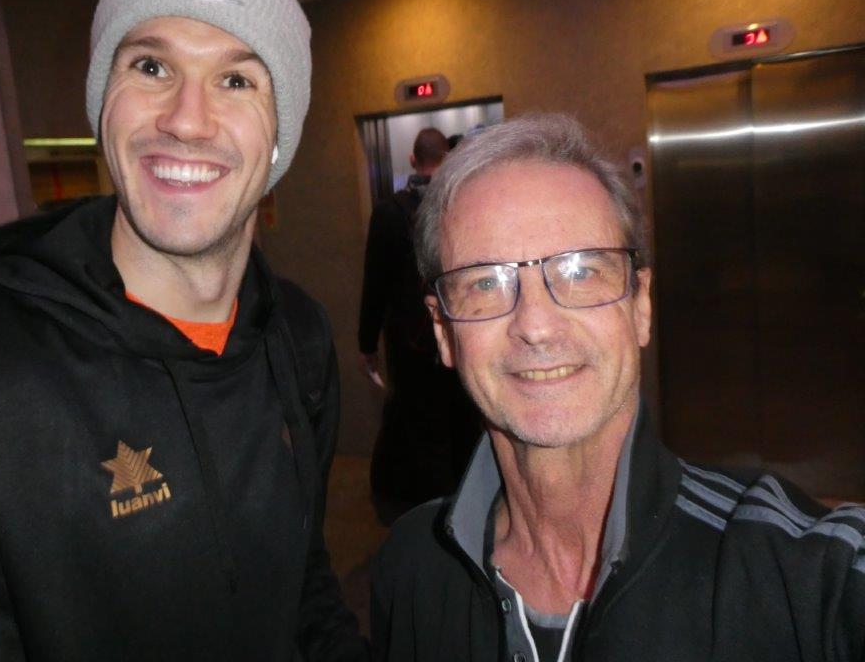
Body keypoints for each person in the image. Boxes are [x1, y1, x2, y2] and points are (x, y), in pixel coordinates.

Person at [0, 0, 367, 661]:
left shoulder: (297, 334)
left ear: (281, 137)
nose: (187, 119)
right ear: (102, 105)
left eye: (237, 80)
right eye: (151, 67)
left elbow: (305, 587)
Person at [371, 113, 865, 661]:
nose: (536, 325)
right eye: (485, 282)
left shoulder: (796, 577)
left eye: (582, 271)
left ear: (641, 306)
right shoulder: (410, 570)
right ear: (444, 332)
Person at [358, 128, 475, 520]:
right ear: (447, 158)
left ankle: (423, 513)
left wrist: (366, 343)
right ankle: (465, 507)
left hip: (409, 343)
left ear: (412, 160)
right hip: (459, 335)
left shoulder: (389, 213)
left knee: (416, 423)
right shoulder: (462, 206)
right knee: (461, 421)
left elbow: (374, 284)